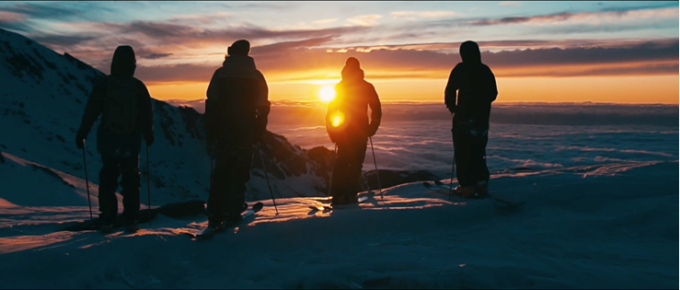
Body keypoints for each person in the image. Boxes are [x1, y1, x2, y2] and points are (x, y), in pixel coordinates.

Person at [75, 45, 154, 233]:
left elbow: (91, 111)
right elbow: (146, 114)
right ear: (133, 65)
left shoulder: (105, 85)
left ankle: (107, 220)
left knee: (108, 179)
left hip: (109, 140)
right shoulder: (137, 87)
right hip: (131, 140)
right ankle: (131, 220)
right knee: (131, 181)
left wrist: (82, 133)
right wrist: (148, 134)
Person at [204, 39, 270, 230]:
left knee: (220, 175)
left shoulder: (220, 74)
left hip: (223, 133)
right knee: (240, 174)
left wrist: (210, 132)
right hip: (245, 133)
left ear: (230, 52)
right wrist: (259, 131)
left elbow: (212, 104)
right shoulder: (257, 77)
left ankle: (215, 215)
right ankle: (233, 212)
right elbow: (263, 107)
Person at [444, 41, 498, 198]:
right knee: (478, 152)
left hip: (463, 120)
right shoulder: (485, 70)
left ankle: (466, 186)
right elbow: (493, 94)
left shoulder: (460, 69)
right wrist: (481, 105)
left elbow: (450, 90)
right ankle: (481, 184)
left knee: (463, 154)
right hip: (481, 121)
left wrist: (453, 108)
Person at [325, 57, 382, 206]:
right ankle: (350, 196)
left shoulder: (340, 87)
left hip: (343, 132)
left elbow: (331, 111)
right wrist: (371, 128)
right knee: (356, 165)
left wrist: (333, 131)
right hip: (360, 132)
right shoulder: (366, 87)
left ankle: (338, 197)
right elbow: (376, 109)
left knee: (341, 164)